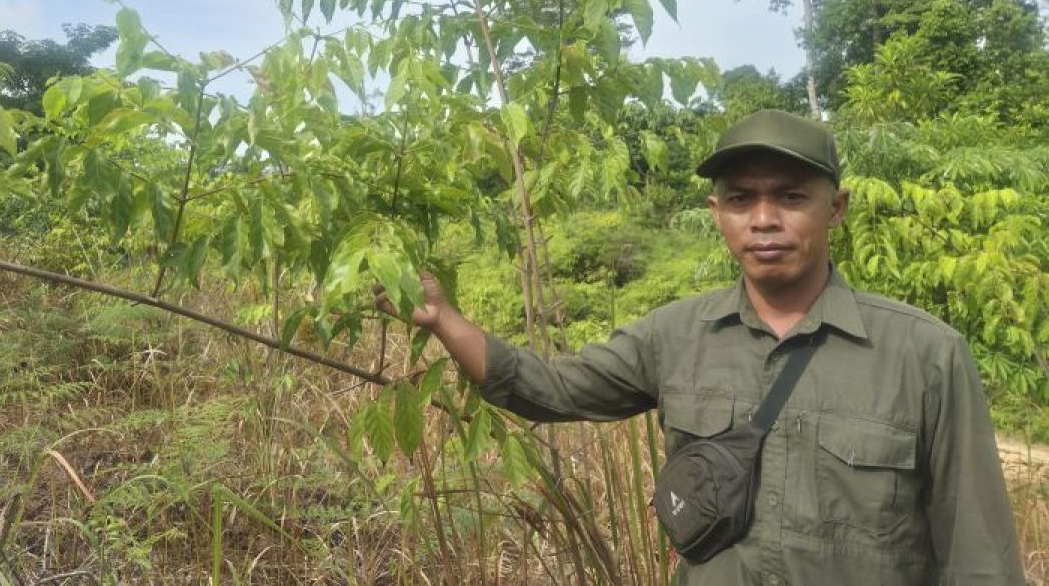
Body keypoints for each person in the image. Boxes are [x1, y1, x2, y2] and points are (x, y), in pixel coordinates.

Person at [375, 109, 1025, 585]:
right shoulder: (675, 334)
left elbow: (979, 553)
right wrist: (442, 320)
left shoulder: (926, 353)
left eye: (791, 197)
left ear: (837, 209)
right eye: (742, 199)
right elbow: (550, 389)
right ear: (717, 212)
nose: (764, 218)